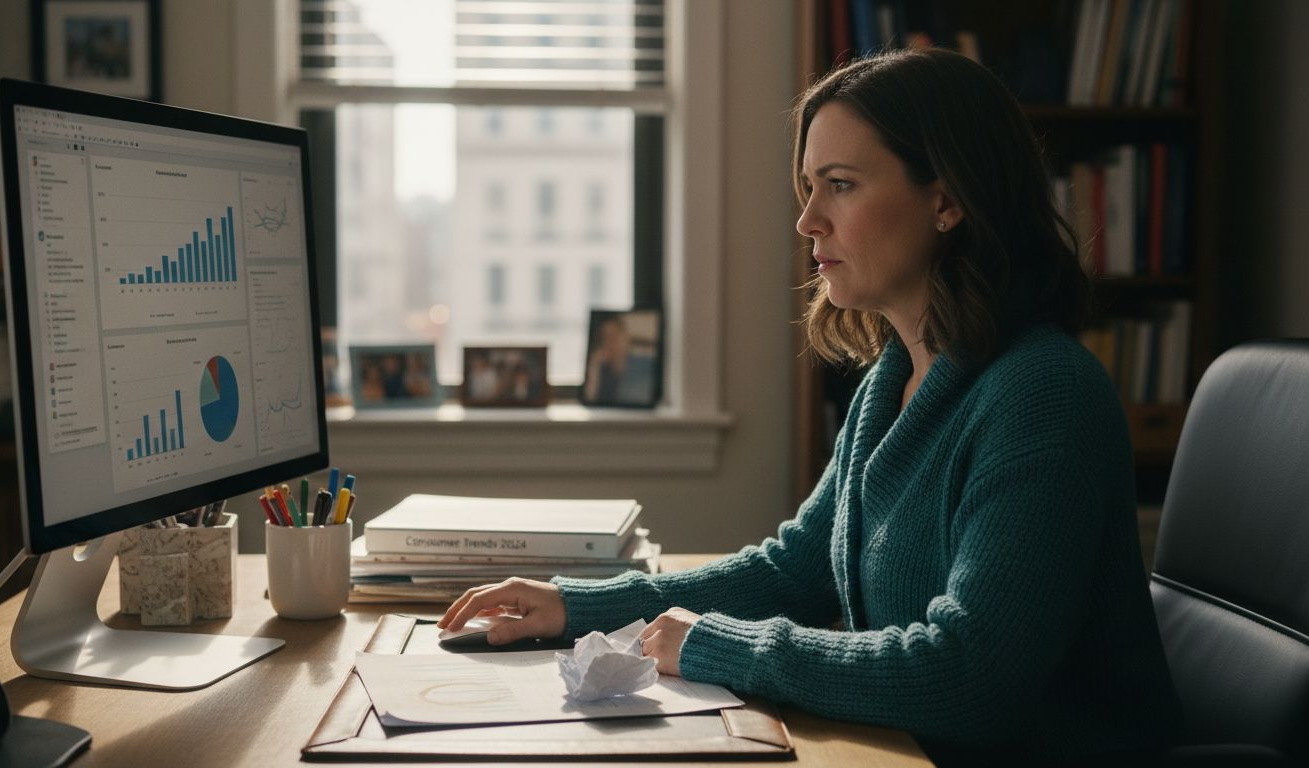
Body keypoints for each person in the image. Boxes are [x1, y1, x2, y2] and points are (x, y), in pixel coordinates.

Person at [439, 49, 1182, 765]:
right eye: (809, 187)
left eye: (841, 185)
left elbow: (970, 674)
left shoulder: (1044, 394)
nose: (808, 222)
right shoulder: (893, 380)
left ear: (948, 199)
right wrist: (577, 607)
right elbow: (794, 571)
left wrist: (719, 646)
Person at [583, 315, 657, 405]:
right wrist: (594, 367)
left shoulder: (645, 365)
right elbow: (591, 401)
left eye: (615, 335)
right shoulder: (604, 371)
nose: (611, 341)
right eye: (606, 337)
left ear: (625, 337)